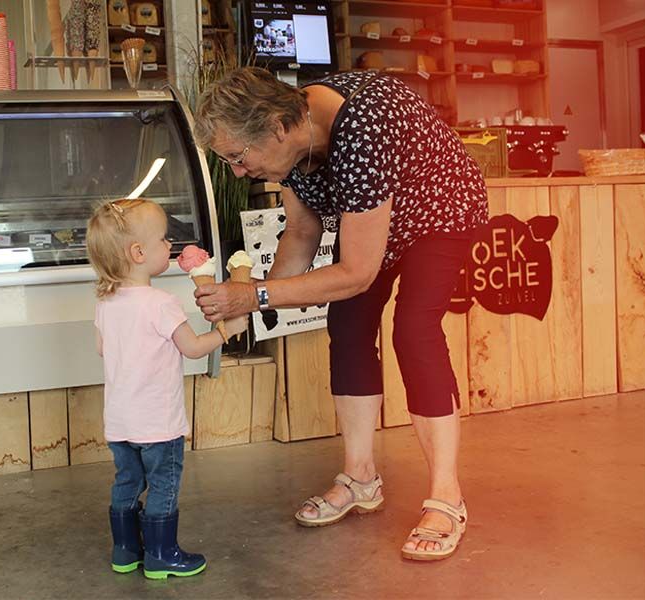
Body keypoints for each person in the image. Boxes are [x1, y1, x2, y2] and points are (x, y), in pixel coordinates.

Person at [193, 67, 488, 561]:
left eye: (238, 157)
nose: (238, 172)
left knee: (413, 331)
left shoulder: (364, 126)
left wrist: (256, 297)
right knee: (347, 324)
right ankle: (360, 477)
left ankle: (447, 497)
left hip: (441, 212)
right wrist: (255, 301)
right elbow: (302, 233)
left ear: (276, 126)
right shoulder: (292, 150)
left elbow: (355, 272)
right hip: (376, 227)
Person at [85, 198, 248, 578]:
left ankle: (125, 550)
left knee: (127, 481)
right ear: (138, 252)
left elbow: (101, 348)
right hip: (159, 423)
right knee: (163, 485)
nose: (170, 246)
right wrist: (226, 331)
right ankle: (161, 553)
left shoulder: (106, 303)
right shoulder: (161, 303)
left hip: (121, 422)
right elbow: (192, 349)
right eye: (163, 239)